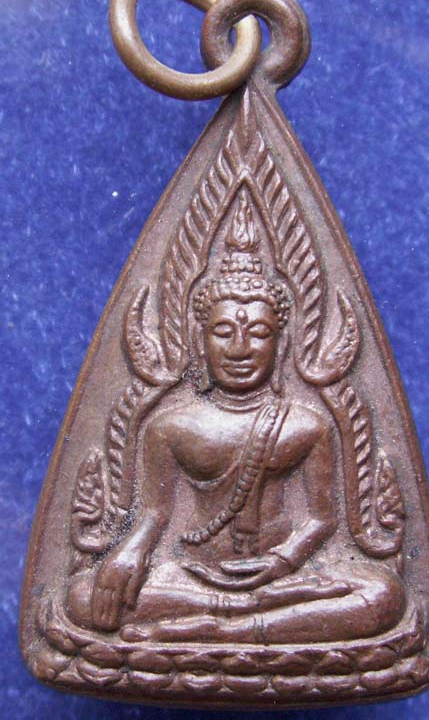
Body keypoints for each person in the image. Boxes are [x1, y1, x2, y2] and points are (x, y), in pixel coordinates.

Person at [67, 195, 405, 644]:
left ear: (282, 345)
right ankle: (238, 617)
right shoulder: (171, 426)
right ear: (199, 340)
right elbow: (154, 514)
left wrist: (283, 562)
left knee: (385, 594)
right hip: (192, 574)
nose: (241, 348)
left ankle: (221, 626)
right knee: (82, 596)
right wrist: (129, 552)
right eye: (223, 331)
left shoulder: (307, 425)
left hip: (283, 576)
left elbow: (323, 519)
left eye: (259, 332)